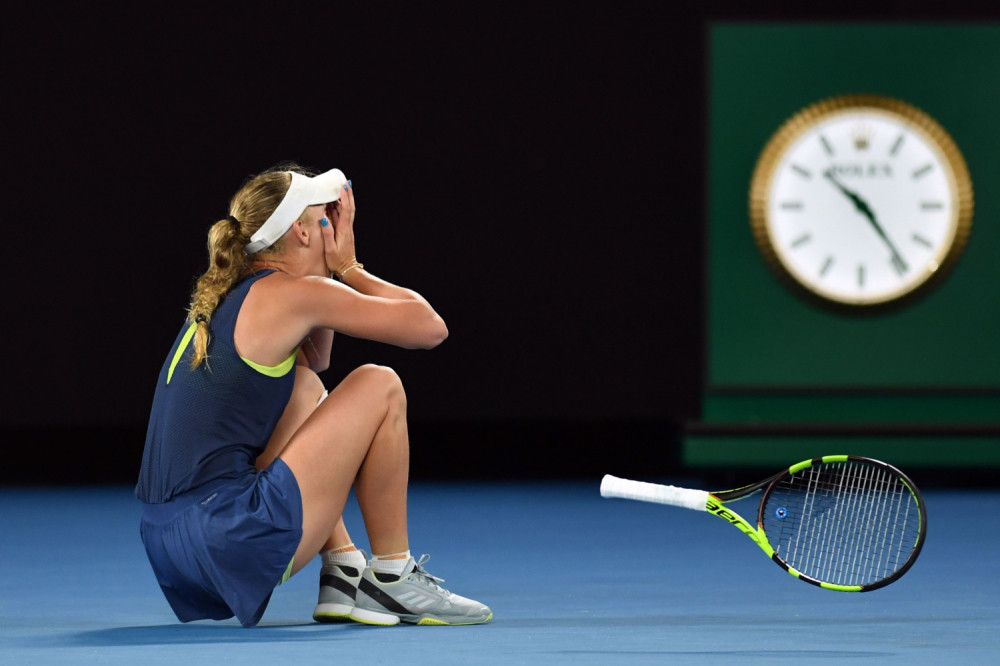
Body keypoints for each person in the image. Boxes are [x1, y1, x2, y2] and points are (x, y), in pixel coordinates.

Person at [135, 164, 492, 628]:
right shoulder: (294, 294)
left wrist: (327, 271)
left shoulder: (236, 292)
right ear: (303, 231)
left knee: (302, 385)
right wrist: (349, 268)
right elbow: (429, 329)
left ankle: (343, 568)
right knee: (379, 384)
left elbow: (316, 362)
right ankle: (392, 577)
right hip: (227, 541)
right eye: (326, 214)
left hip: (173, 548)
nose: (336, 224)